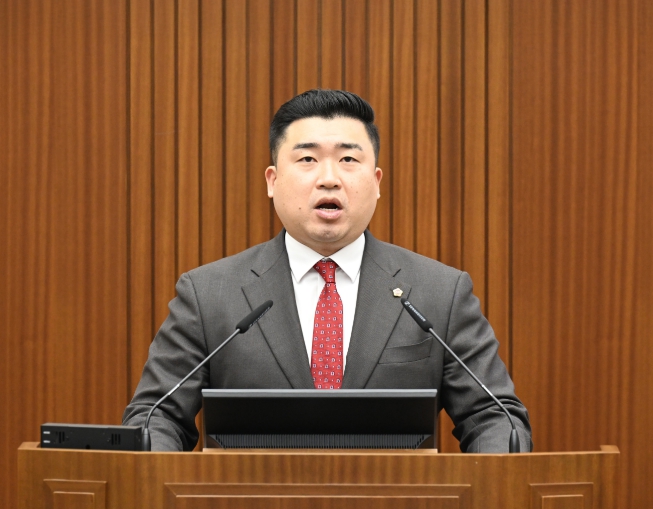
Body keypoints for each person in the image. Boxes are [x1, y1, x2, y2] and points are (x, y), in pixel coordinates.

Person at [123, 89, 532, 452]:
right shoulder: (209, 294)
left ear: (376, 182)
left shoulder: (439, 293)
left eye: (348, 159)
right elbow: (156, 416)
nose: (329, 178)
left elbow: (494, 416)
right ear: (272, 180)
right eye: (307, 159)